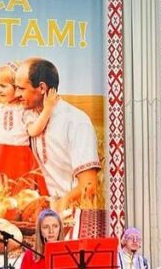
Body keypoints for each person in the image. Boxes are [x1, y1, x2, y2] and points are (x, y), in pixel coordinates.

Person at [14, 58, 100, 210]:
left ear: (42, 88)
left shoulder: (76, 121)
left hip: (70, 213)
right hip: (38, 210)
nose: (16, 94)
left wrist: (56, 208)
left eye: (21, 89)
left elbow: (89, 186)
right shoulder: (28, 118)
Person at [0, 61, 53, 196]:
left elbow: (33, 131)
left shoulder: (25, 111)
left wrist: (47, 110)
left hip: (17, 158)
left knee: (17, 193)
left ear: (17, 87)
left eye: (3, 86)